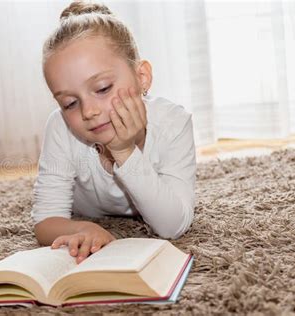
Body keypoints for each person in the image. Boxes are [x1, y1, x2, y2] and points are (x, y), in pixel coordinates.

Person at [31, 1, 196, 264]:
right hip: (83, 212)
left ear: (142, 76)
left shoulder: (174, 123)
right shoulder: (60, 127)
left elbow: (173, 226)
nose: (89, 111)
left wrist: (124, 151)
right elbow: (45, 221)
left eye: (103, 88)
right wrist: (81, 228)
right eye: (70, 103)